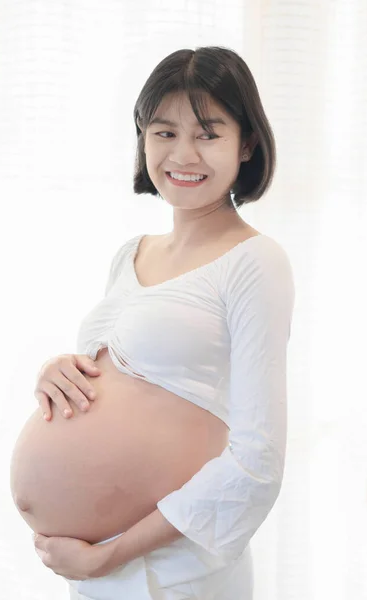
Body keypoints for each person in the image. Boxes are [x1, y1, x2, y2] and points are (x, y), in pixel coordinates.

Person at [34, 45, 295, 600]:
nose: (183, 153)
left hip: (174, 573)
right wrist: (59, 370)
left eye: (208, 132)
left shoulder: (254, 262)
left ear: (246, 143)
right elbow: (131, 380)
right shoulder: (129, 254)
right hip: (98, 573)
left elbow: (257, 461)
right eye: (163, 132)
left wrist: (109, 556)